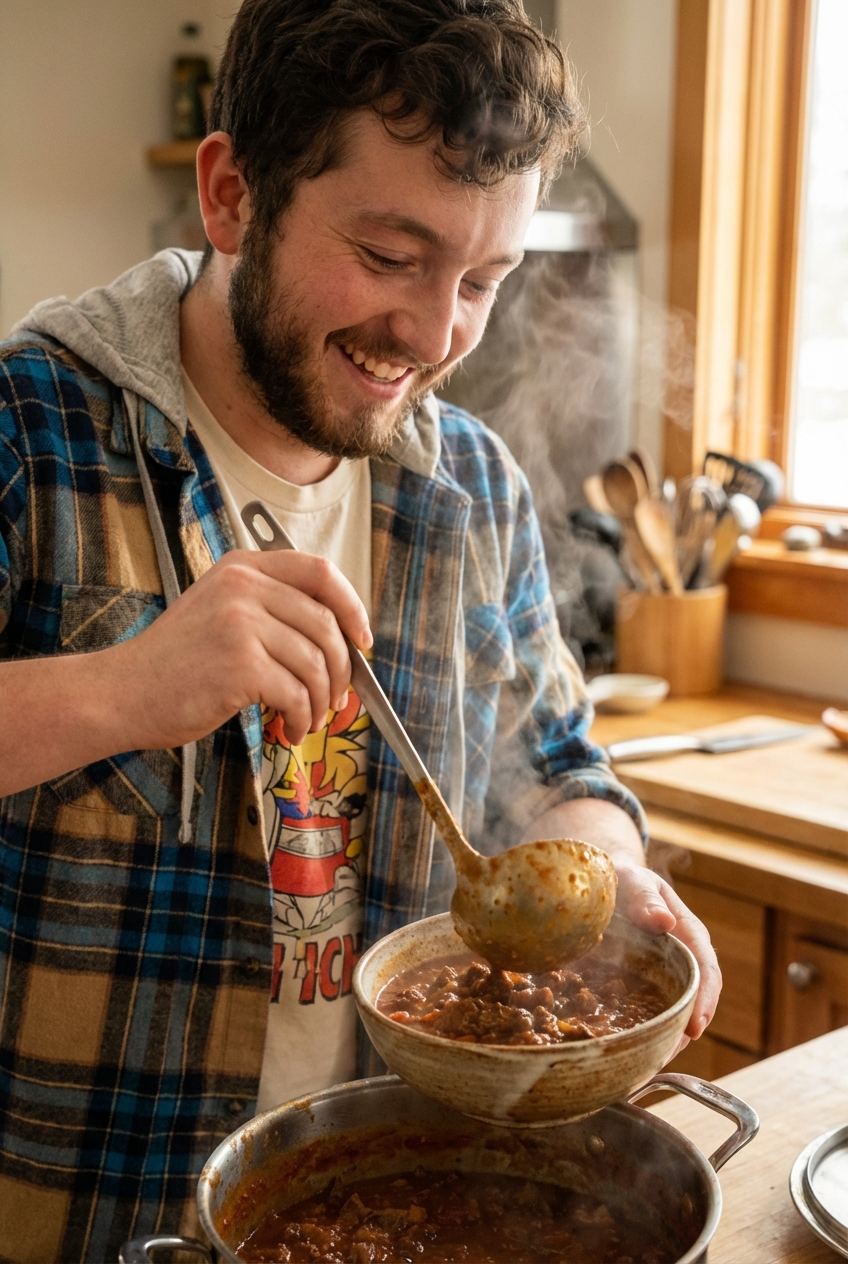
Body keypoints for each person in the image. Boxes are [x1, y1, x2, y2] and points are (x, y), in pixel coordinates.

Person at [0, 1, 720, 1259]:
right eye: (390, 256)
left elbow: (560, 767)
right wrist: (125, 688)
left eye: (484, 280)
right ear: (231, 195)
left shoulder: (472, 487)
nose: (436, 334)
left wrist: (607, 879)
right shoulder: (29, 428)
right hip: (81, 1215)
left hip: (378, 1203)